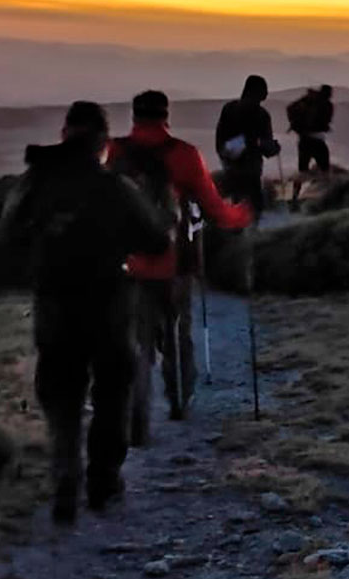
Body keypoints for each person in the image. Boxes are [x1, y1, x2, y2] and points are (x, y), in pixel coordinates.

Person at [0, 101, 171, 522]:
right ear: (101, 141)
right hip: (108, 305)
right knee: (113, 392)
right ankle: (103, 481)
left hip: (54, 306)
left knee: (61, 396)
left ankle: (64, 481)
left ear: (64, 134)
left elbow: (6, 238)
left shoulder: (33, 183)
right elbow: (155, 240)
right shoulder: (113, 187)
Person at [105, 91, 255, 446]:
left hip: (128, 262)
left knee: (133, 336)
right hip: (176, 261)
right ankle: (179, 396)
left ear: (134, 116)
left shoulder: (115, 152)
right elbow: (214, 207)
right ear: (165, 116)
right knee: (178, 326)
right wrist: (243, 214)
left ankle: (135, 410)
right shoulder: (185, 155)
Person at [215, 74, 280, 217]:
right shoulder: (261, 115)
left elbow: (220, 140)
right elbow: (266, 147)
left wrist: (226, 157)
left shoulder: (229, 109)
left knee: (238, 204)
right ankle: (249, 235)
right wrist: (274, 148)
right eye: (264, 90)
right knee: (255, 207)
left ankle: (238, 233)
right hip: (251, 169)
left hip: (231, 166)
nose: (267, 94)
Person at [287, 84, 335, 176]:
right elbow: (324, 123)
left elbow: (290, 108)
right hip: (317, 140)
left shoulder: (308, 101)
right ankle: (324, 187)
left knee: (302, 170)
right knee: (324, 169)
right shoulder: (326, 105)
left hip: (304, 139)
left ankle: (296, 189)